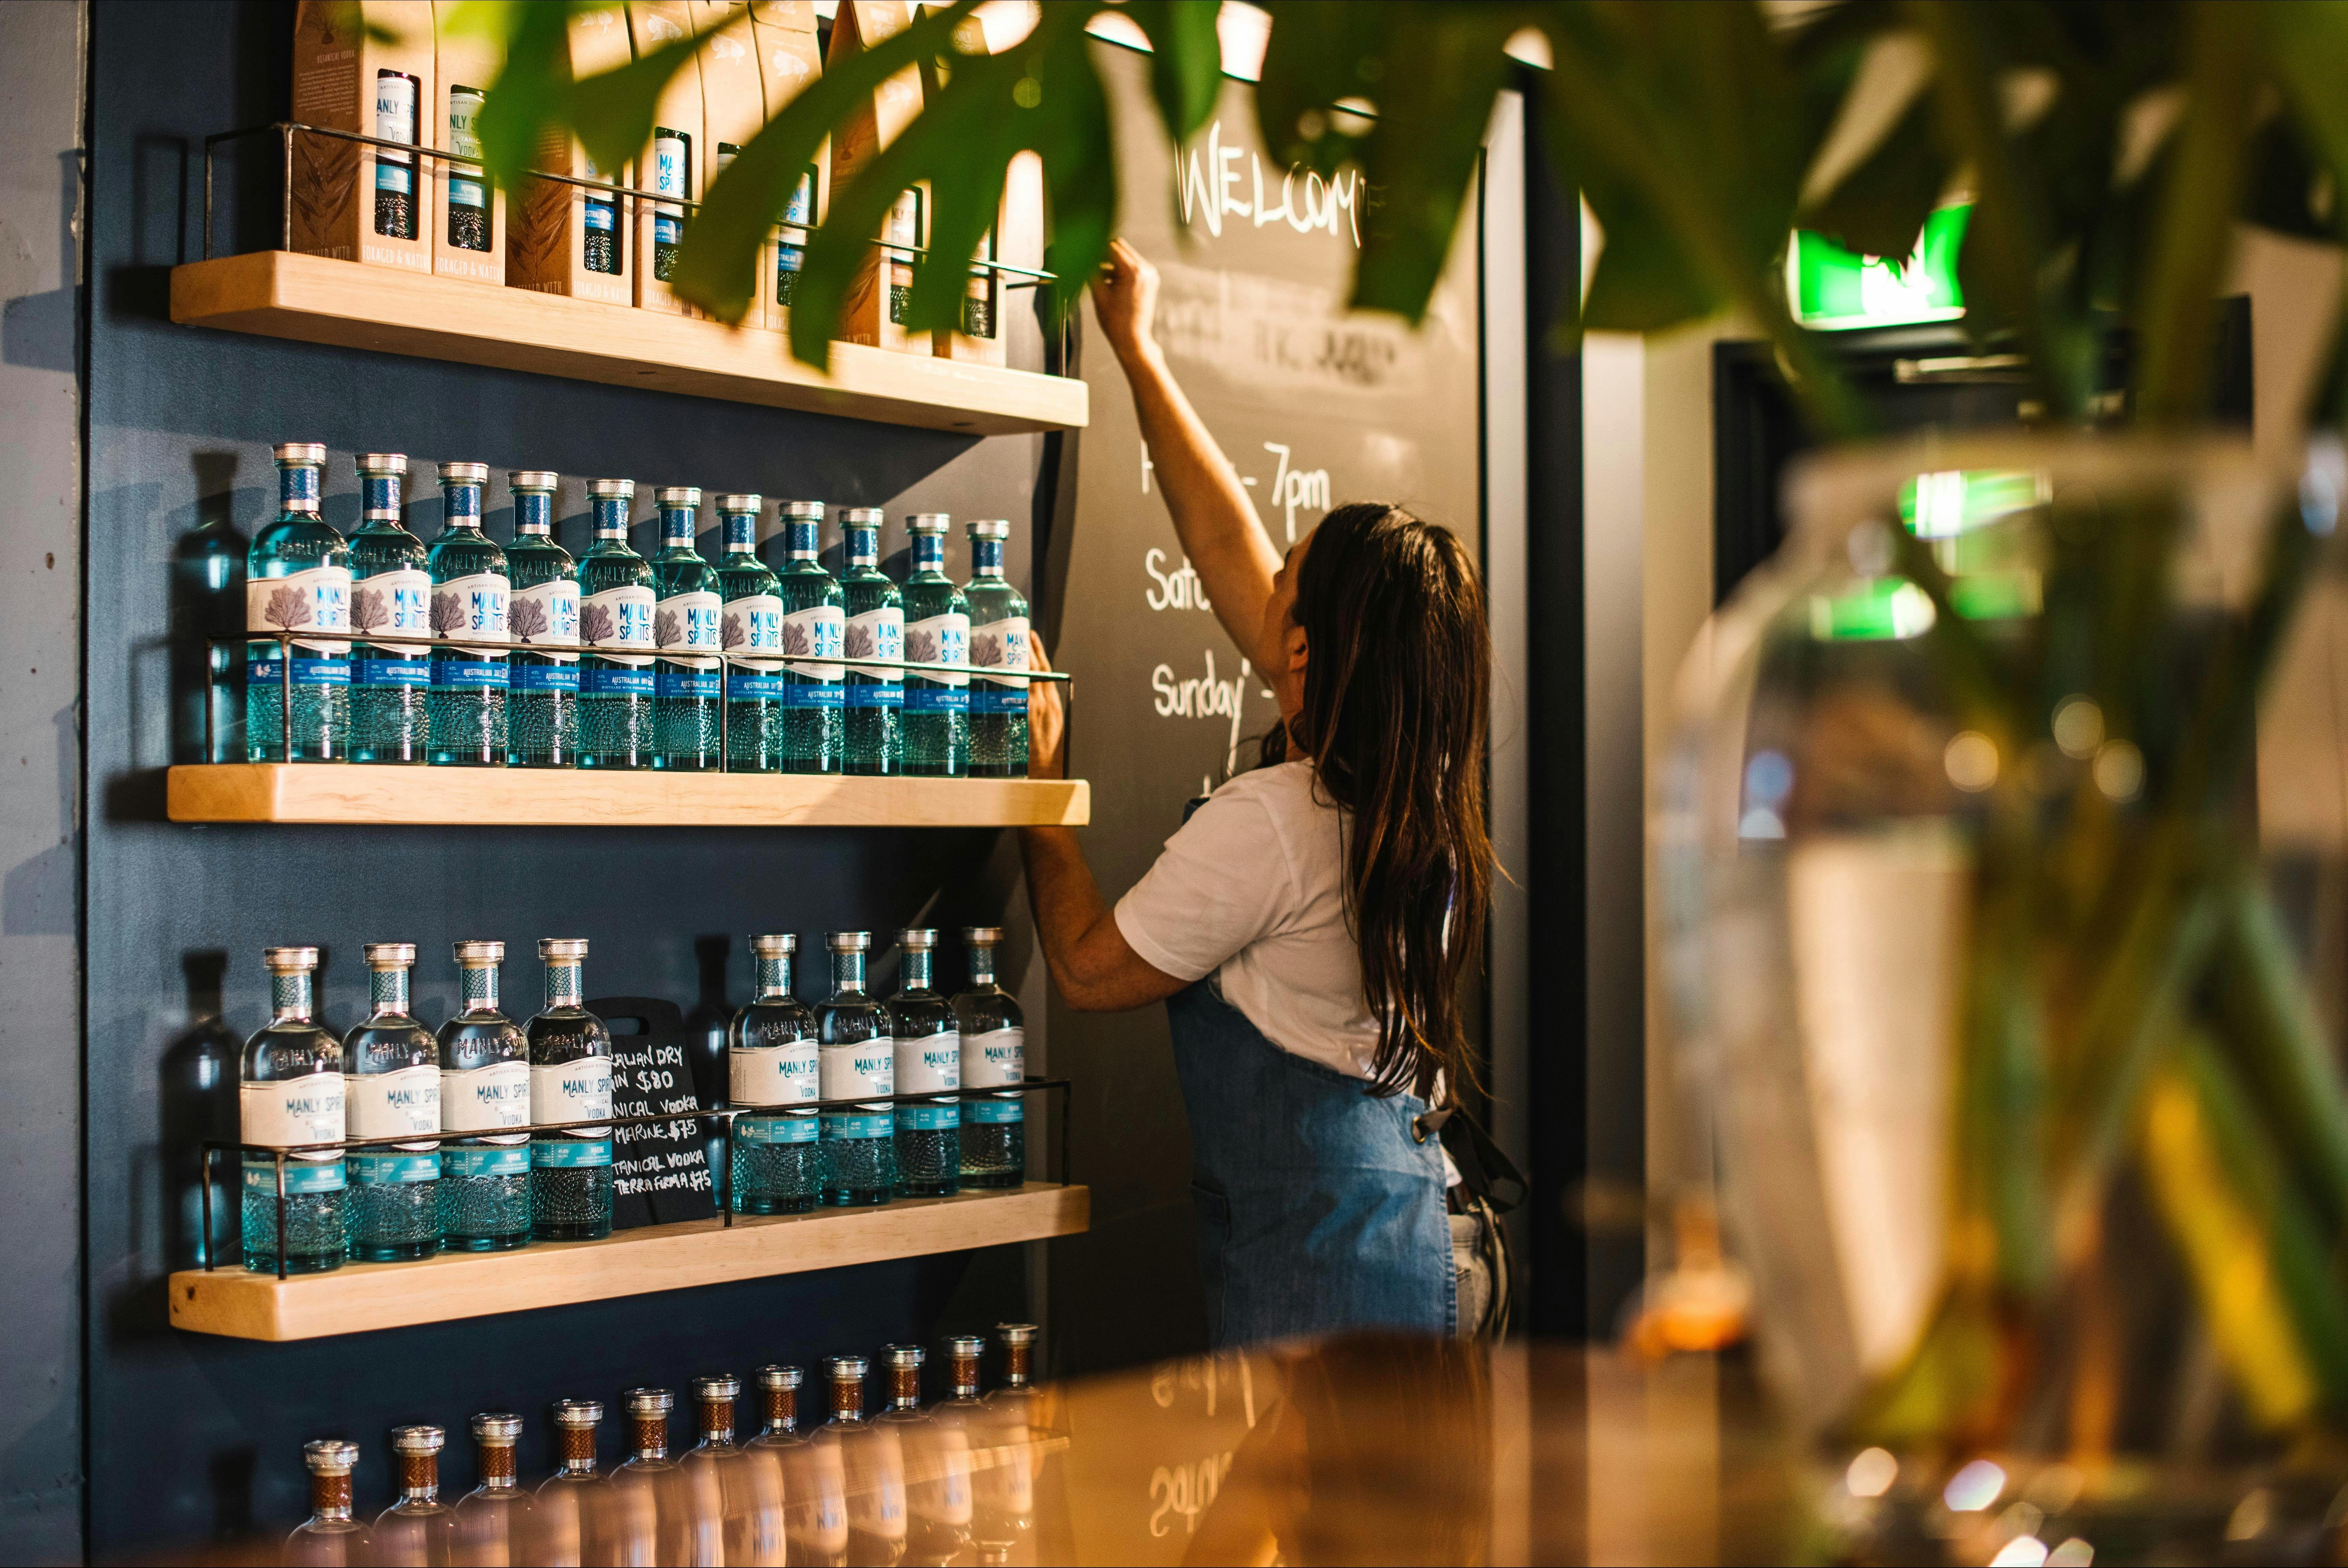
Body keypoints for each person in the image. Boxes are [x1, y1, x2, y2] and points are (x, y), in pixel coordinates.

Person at [1020, 240, 1494, 1345]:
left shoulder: (1281, 820)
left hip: (1340, 1270)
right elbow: (1224, 540)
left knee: (1341, 1476)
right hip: (1423, 1229)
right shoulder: (1411, 785)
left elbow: (1086, 967)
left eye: (1288, 581)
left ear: (1308, 651)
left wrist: (1042, 795)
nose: (1266, 578)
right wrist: (1138, 350)